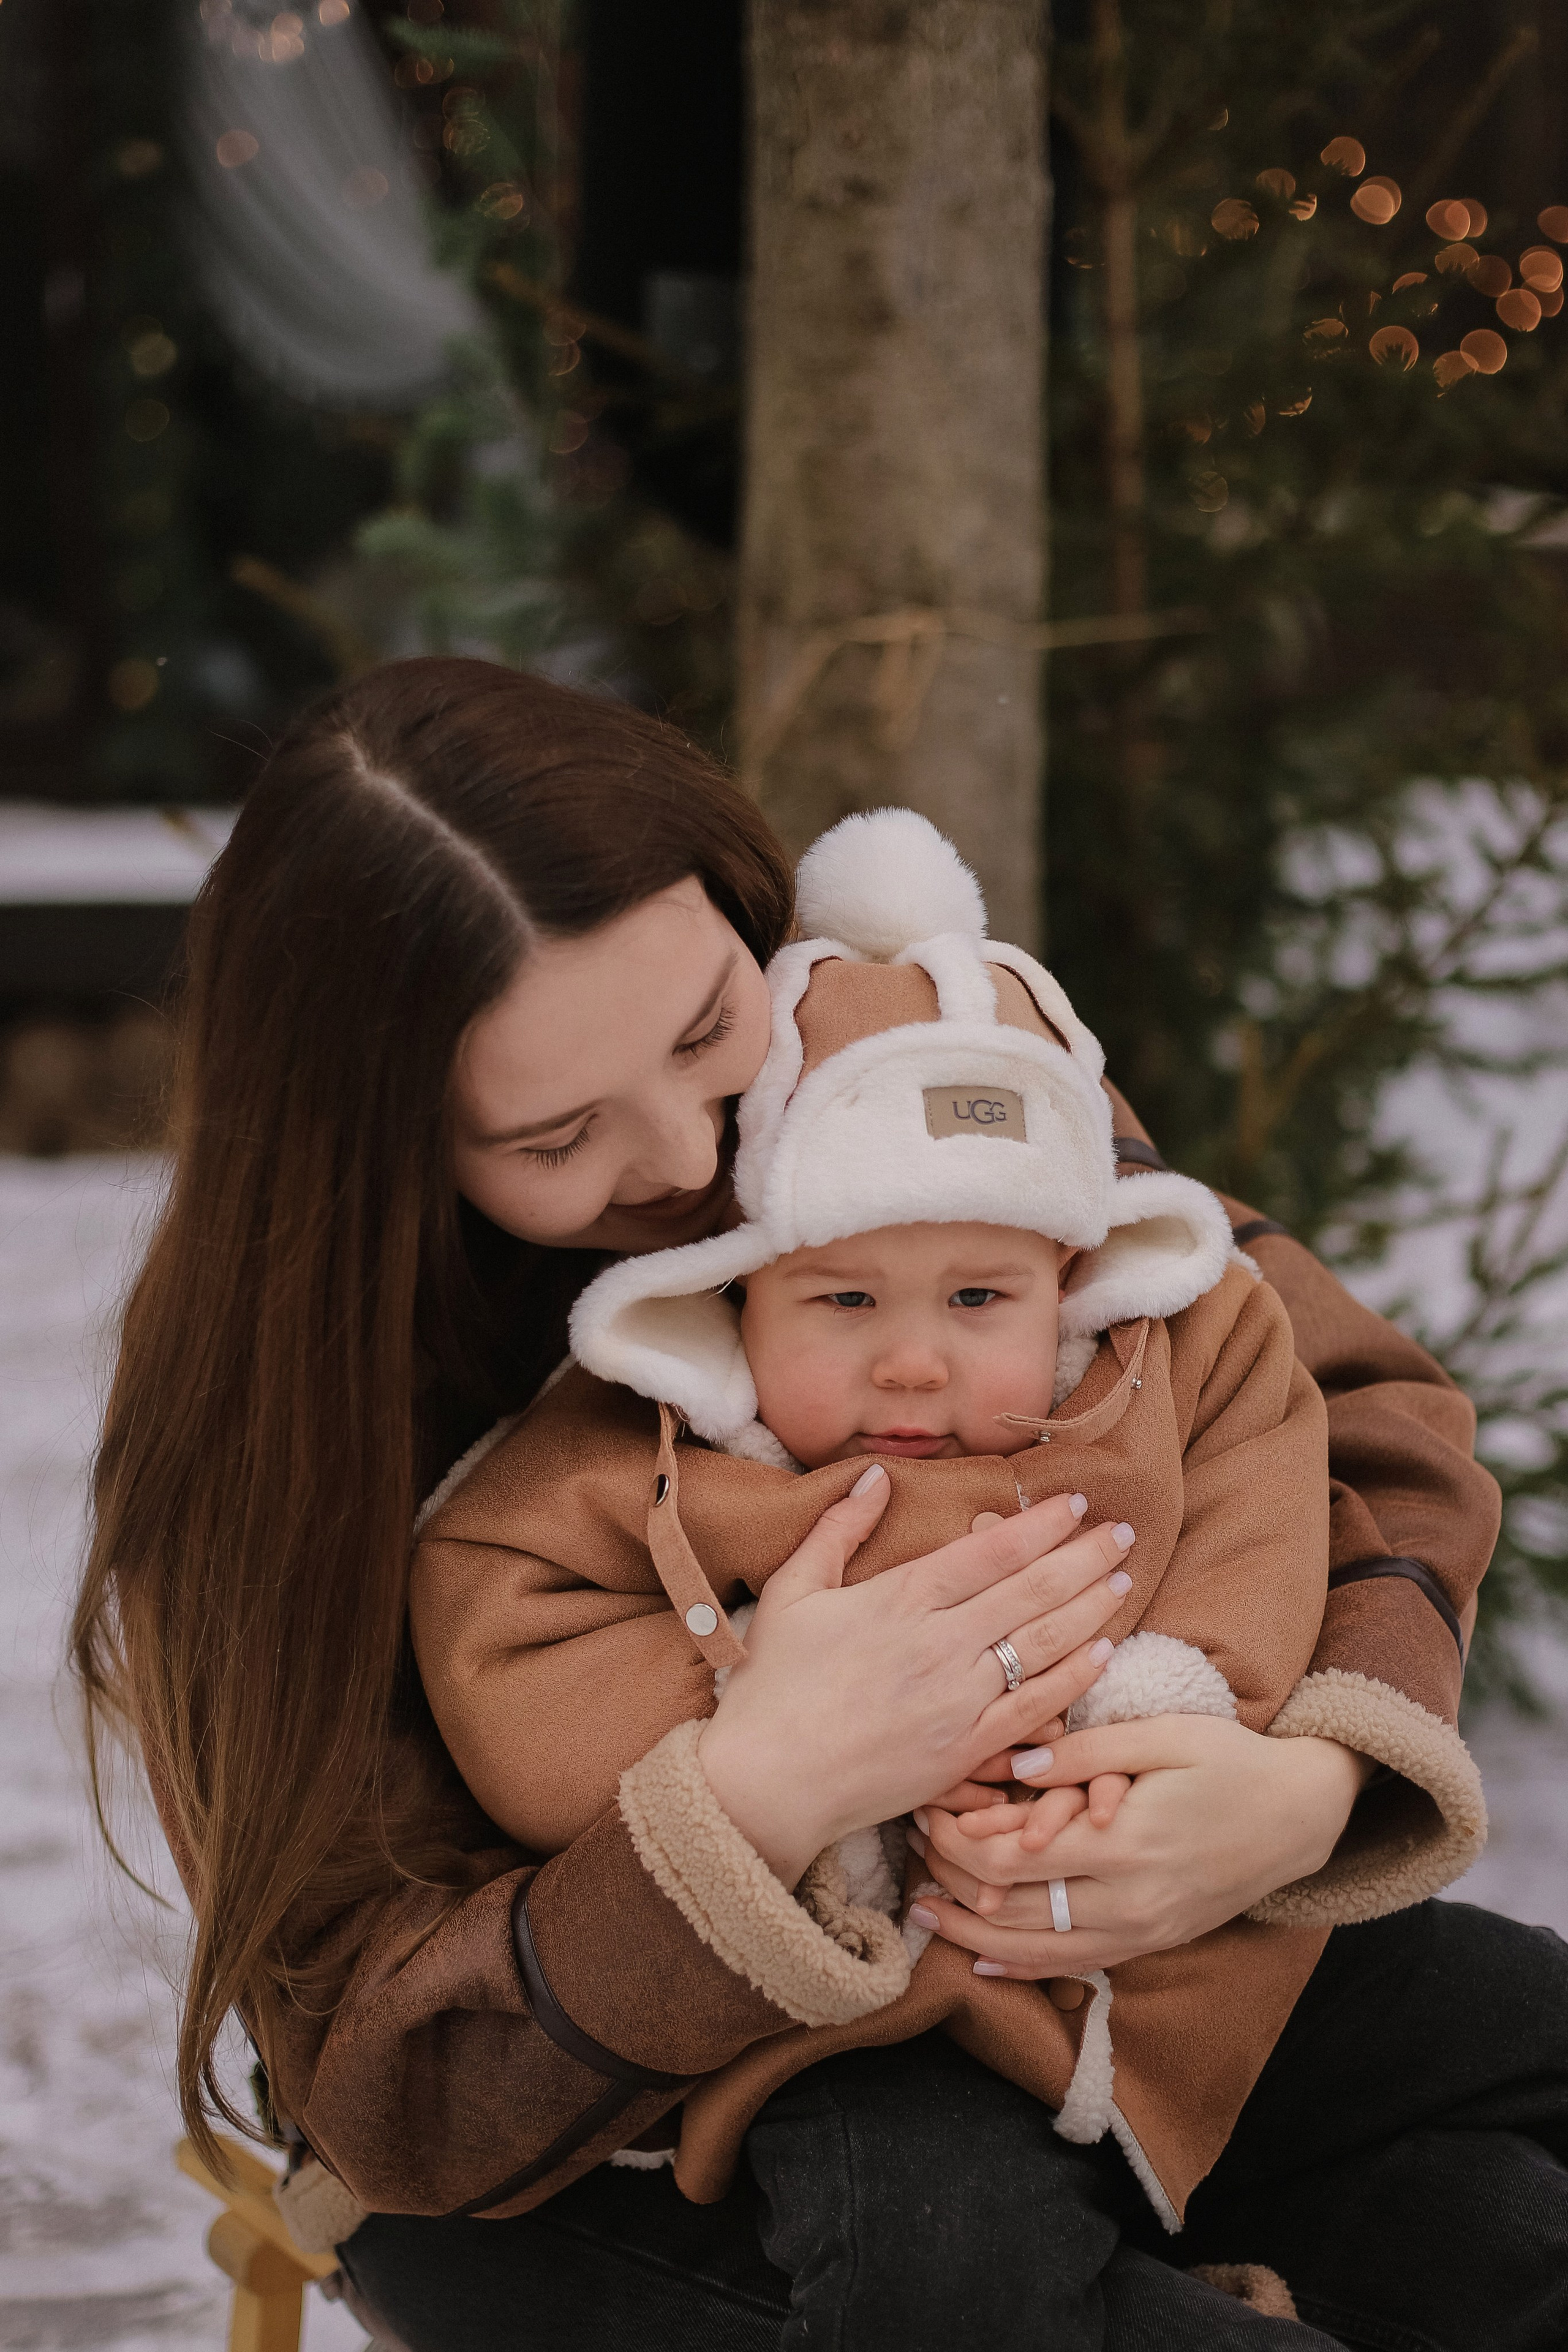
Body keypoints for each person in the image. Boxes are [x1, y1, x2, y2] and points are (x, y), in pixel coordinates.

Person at [69, 658, 1567, 2351]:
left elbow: (1342, 1403)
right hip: (592, 2149)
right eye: (558, 1133)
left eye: (710, 1028)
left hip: (1116, 2013)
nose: (694, 1151)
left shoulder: (888, 1078)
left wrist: (1304, 1784)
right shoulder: (283, 1438)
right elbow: (390, 2085)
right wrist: (758, 1792)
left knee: (1511, 2239)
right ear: (388, 1149)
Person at [408, 804, 1382, 2337]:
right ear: (723, 1316)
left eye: (705, 1035)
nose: (914, 1362)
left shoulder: (1106, 1297)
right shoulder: (653, 1451)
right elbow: (503, 1635)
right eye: (844, 1296)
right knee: (932, 2232)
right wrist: (756, 1735)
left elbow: (1311, 1462)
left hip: (1173, 1956)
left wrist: (1241, 1742)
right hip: (841, 2015)